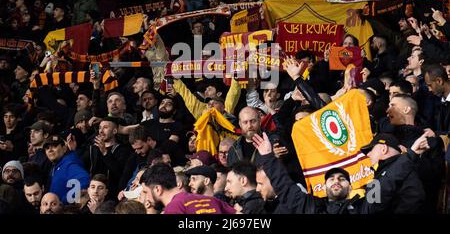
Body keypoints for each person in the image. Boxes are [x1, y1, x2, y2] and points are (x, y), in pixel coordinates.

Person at [252, 131, 432, 214]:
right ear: (324, 187)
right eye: (330, 179)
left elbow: (387, 182)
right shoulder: (311, 207)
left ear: (350, 186)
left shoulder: (366, 205)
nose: (336, 180)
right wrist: (268, 157)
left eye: (341, 178)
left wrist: (410, 155)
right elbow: (285, 187)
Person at [140, 163, 235, 214]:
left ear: (157, 189)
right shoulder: (212, 201)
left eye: (146, 192)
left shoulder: (173, 208)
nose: (147, 198)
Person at [81, 117, 131, 198]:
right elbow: (83, 165)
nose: (101, 131)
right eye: (100, 128)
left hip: (112, 195)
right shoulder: (93, 148)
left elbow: (119, 173)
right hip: (94, 192)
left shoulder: (123, 150)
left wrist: (105, 152)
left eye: (105, 127)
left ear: (114, 131)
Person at [44, 135, 90, 203]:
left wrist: (66, 200)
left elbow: (85, 180)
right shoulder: (57, 165)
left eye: (54, 146)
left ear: (64, 148)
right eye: (47, 148)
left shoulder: (69, 165)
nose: (50, 150)